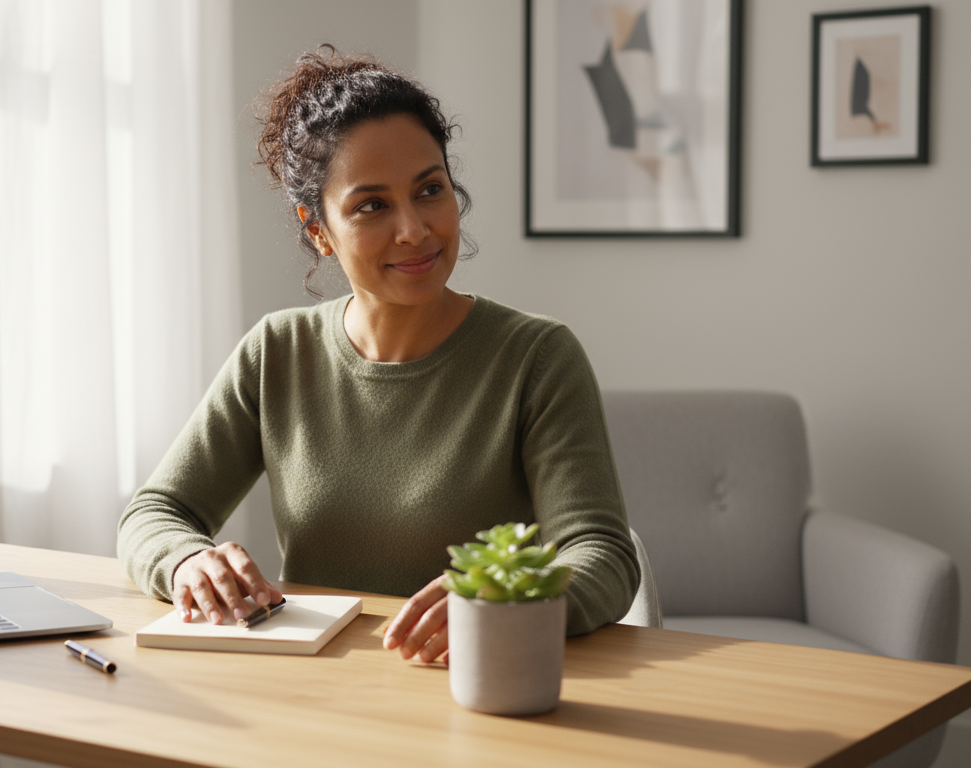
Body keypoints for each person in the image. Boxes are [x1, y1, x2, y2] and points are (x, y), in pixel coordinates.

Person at [117, 47, 639, 664]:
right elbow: (156, 511)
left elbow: (600, 552)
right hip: (319, 691)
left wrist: (510, 597)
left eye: (430, 190)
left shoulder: (537, 357)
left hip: (476, 684)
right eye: (371, 205)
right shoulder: (276, 352)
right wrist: (185, 560)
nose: (415, 229)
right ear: (319, 231)